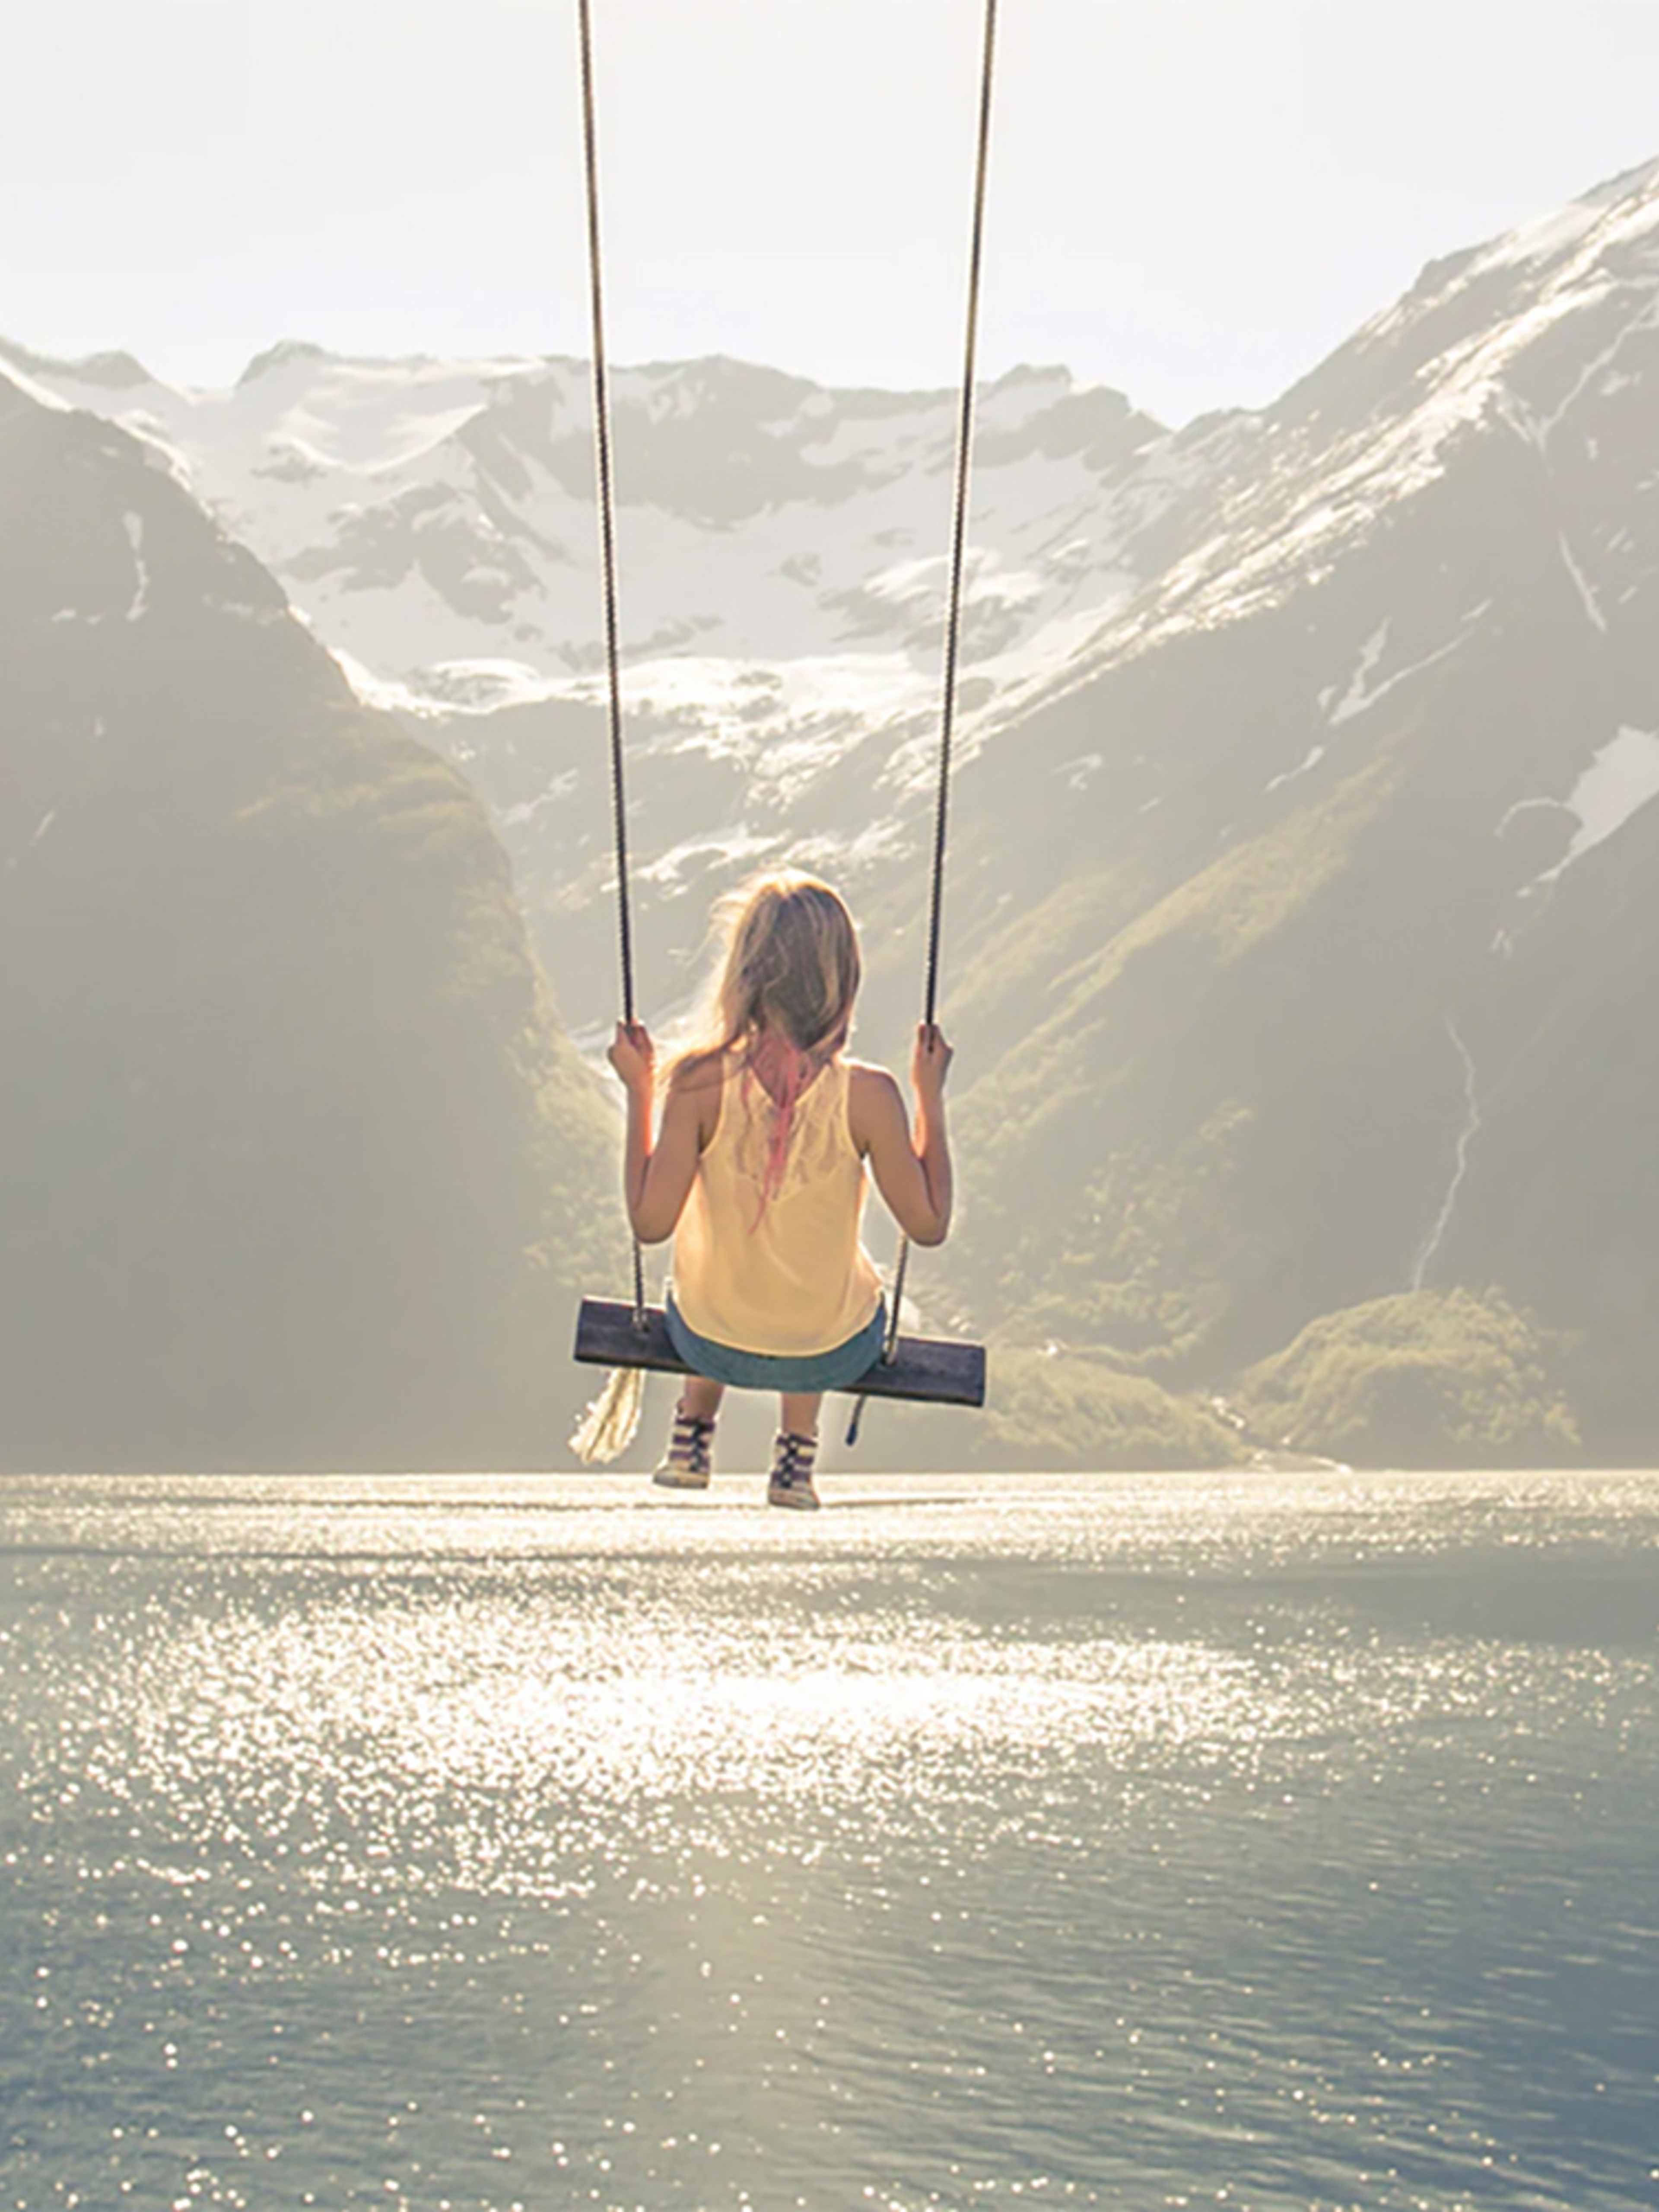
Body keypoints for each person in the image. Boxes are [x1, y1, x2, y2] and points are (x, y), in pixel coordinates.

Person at [606, 870, 953, 1510]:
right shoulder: (871, 1097)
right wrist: (930, 1096)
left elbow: (650, 1223)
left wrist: (640, 1091)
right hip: (830, 1351)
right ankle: (796, 1454)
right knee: (833, 1277)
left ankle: (693, 1429)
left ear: (746, 974)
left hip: (708, 1339)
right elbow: (929, 1226)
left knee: (712, 1265)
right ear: (843, 981)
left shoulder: (697, 1083)